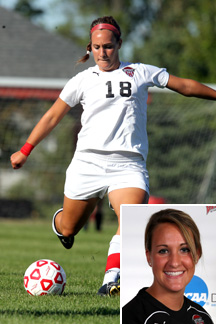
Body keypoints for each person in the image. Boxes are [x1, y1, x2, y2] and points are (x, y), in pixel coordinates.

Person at [10, 16, 216, 296]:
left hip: (128, 165)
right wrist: (25, 150)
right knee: (70, 228)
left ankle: (111, 280)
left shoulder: (140, 72)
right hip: (87, 163)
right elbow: (51, 117)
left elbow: (184, 86)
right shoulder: (81, 80)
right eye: (96, 47)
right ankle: (62, 227)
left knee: (132, 219)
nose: (102, 53)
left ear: (119, 44)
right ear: (89, 48)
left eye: (108, 46)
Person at [122, 208, 214, 323]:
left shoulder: (203, 317)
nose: (174, 263)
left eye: (184, 249)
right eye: (163, 251)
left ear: (197, 254)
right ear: (148, 256)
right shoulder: (130, 317)